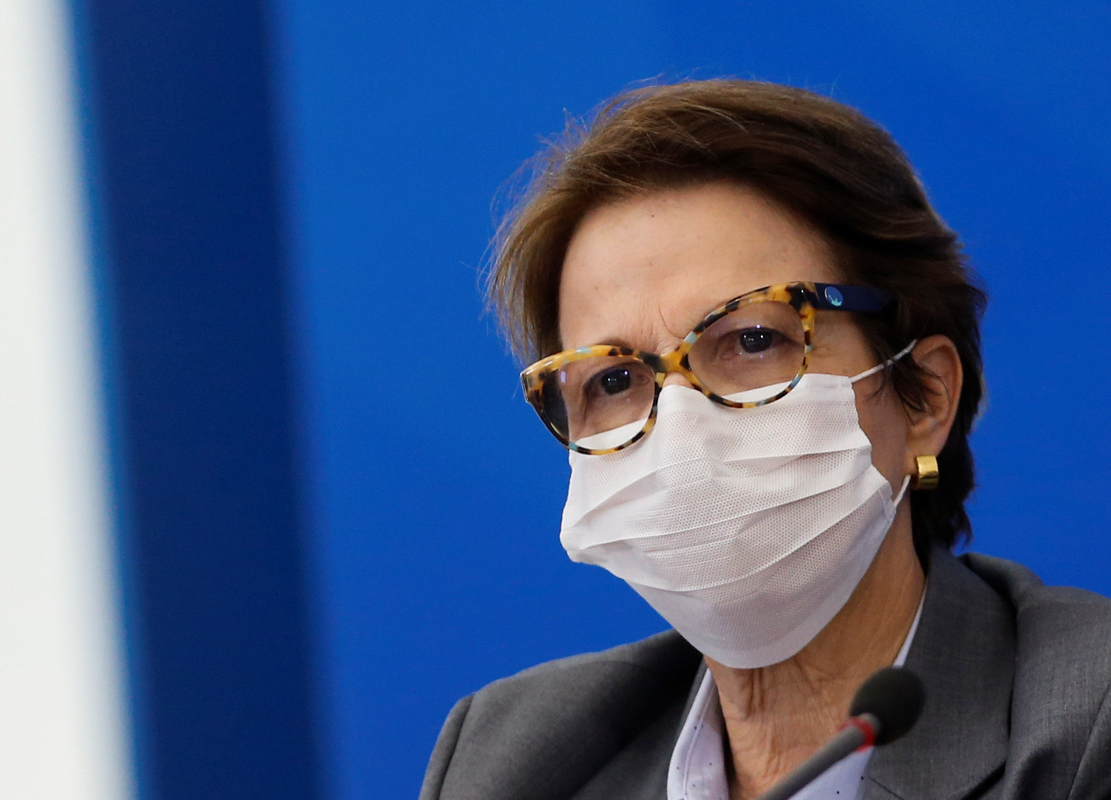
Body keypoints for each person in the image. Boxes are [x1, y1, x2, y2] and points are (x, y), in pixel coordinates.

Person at [419, 80, 1111, 800]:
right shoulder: (513, 763)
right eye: (614, 381)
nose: (680, 427)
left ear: (925, 397)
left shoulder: (1087, 722)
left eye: (753, 339)